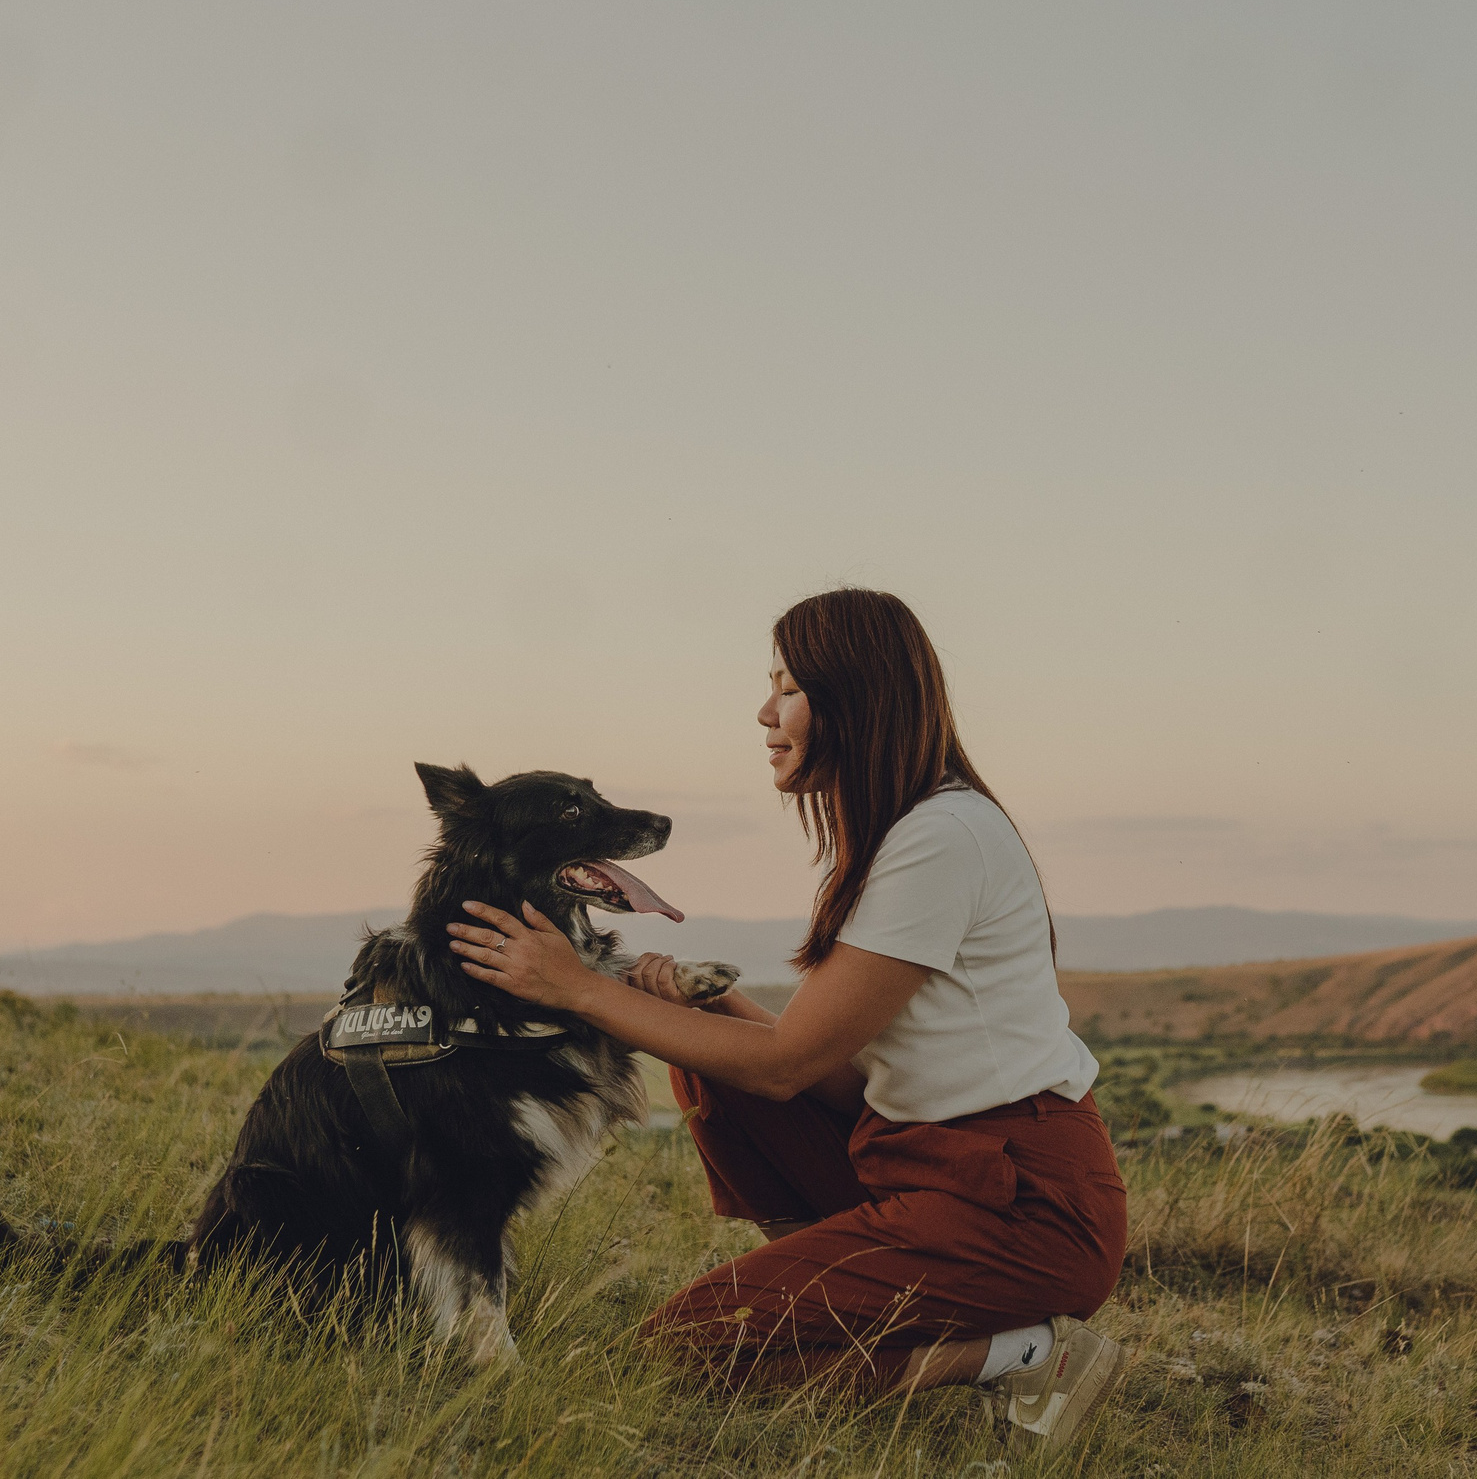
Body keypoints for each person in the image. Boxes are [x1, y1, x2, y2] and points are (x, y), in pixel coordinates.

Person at [448, 587, 1128, 1447]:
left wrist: (578, 987)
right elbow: (843, 1075)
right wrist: (717, 1011)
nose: (765, 711)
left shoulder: (941, 838)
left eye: (790, 688)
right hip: (931, 1163)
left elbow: (788, 1067)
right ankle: (837, 1286)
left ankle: (1026, 1354)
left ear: (858, 698)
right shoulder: (899, 834)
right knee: (709, 1055)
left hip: (1025, 1204)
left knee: (685, 1351)